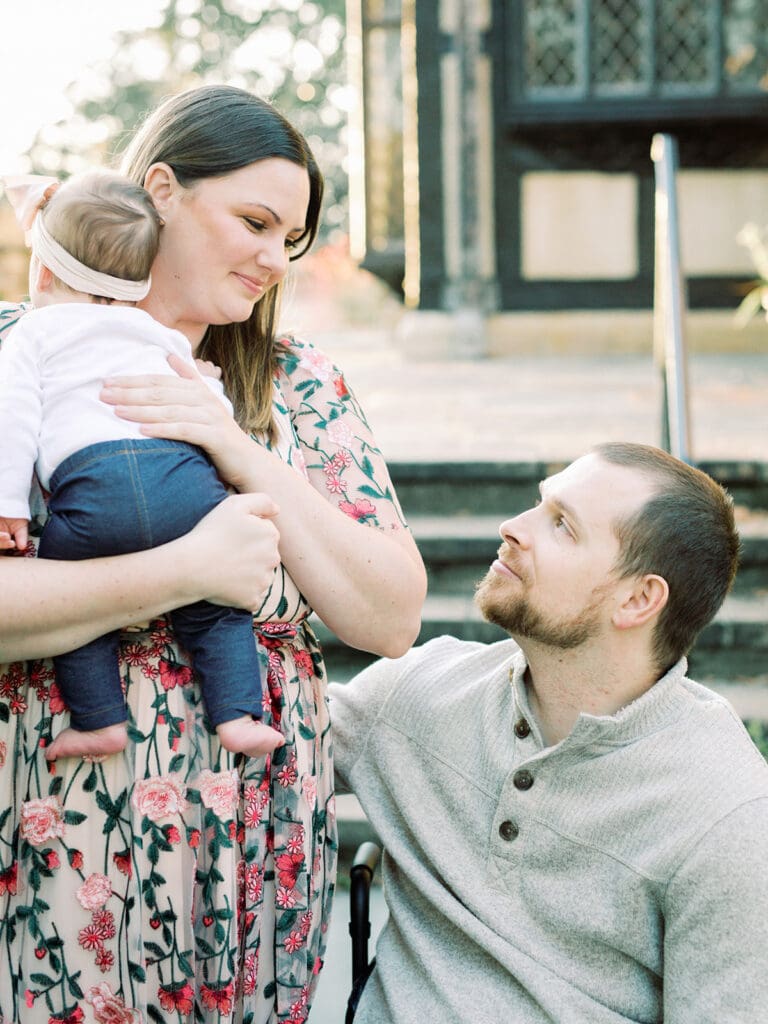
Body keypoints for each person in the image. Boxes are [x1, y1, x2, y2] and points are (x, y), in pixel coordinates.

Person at [0, 85, 426, 1024]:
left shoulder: (300, 385)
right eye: (255, 222)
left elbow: (391, 616)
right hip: (64, 827)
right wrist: (184, 573)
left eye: (292, 241)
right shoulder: (18, 355)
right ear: (160, 189)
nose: (275, 261)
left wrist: (237, 448)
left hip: (256, 842)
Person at [330, 443, 768, 1024]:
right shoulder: (421, 690)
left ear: (638, 599)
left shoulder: (727, 814)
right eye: (539, 505)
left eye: (562, 526)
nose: (512, 528)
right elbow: (261, 746)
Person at [0, 169, 284, 761]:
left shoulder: (35, 330)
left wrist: (6, 506)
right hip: (181, 480)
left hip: (94, 490)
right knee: (216, 608)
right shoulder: (153, 332)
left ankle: (100, 721)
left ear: (45, 272)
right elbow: (209, 407)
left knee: (74, 605)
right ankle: (239, 716)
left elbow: (15, 418)